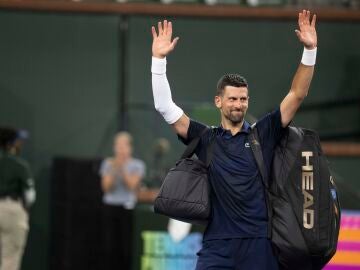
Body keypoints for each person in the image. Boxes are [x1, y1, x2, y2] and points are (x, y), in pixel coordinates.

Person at [151, 10, 317, 270]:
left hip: (260, 245)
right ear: (219, 101)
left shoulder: (263, 133)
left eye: (243, 99)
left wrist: (310, 50)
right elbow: (164, 106)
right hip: (218, 246)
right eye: (232, 98)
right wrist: (158, 60)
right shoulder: (206, 138)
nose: (238, 104)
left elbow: (297, 94)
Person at [99, 131, 145, 269]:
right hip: (109, 207)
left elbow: (132, 185)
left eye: (123, 145)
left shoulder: (138, 165)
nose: (120, 149)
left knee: (125, 246)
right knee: (108, 245)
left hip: (127, 209)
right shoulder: (107, 164)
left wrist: (122, 167)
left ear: (130, 147)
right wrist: (114, 168)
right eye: (118, 145)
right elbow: (106, 187)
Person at [0, 127, 36, 270]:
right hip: (11, 210)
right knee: (10, 260)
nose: (20, 144)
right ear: (10, 144)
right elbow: (30, 196)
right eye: (17, 141)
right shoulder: (19, 165)